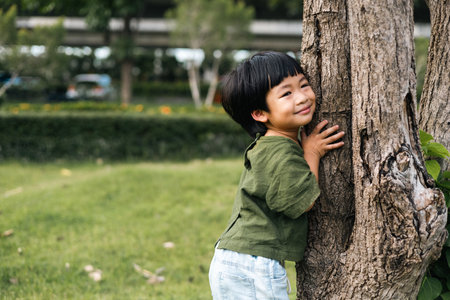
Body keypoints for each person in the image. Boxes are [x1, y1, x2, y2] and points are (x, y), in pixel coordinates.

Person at [209, 51, 345, 299]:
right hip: (252, 264)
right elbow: (300, 201)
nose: (303, 97)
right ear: (260, 113)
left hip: (238, 260)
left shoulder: (271, 144)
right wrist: (312, 152)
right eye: (287, 93)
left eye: (304, 85)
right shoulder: (280, 150)